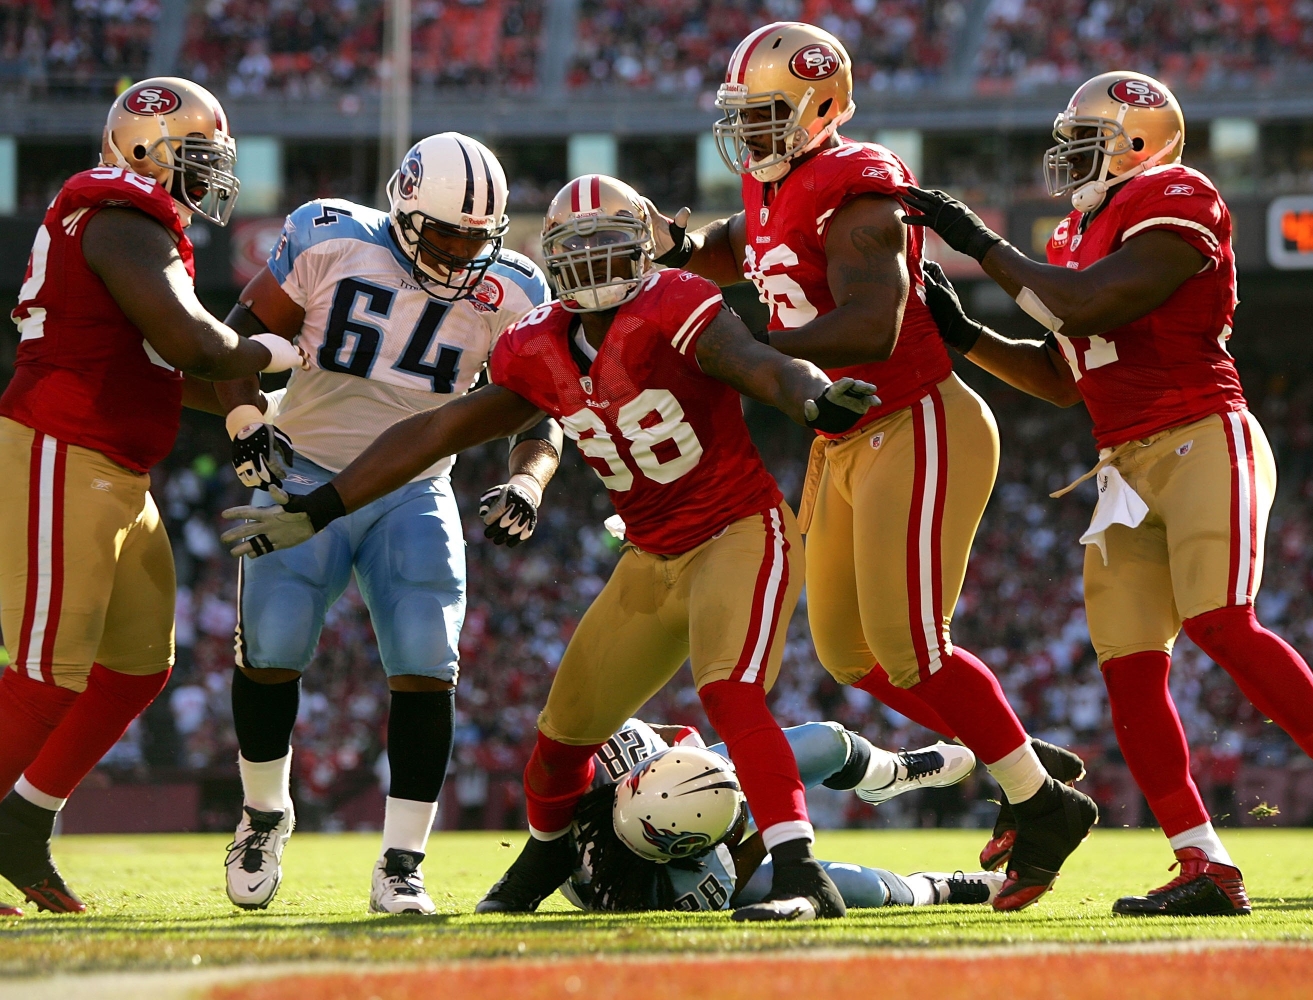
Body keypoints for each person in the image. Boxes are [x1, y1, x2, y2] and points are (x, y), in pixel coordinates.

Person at [221, 174, 882, 921]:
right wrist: (320, 508)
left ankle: (799, 873)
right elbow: (436, 431)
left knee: (729, 692)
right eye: (580, 250)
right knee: (563, 736)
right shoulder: (535, 342)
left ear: (644, 249)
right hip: (650, 553)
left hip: (736, 530)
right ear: (553, 259)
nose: (597, 267)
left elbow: (757, 362)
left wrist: (809, 393)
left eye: (611, 248)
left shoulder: (677, 300)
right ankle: (541, 859)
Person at [899, 70, 1313, 915]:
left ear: (1139, 141)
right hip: (1121, 468)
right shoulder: (1071, 233)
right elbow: (1063, 376)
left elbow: (1101, 299)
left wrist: (984, 245)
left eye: (1087, 138)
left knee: (1220, 620)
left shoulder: (1178, 194)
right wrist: (966, 336)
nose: (1068, 156)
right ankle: (1201, 862)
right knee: (1130, 674)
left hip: (1201, 434)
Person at [647, 20, 1097, 911]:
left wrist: (745, 348)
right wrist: (681, 251)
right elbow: (750, 240)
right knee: (852, 655)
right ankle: (1015, 755)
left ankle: (1044, 803)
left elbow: (874, 325)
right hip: (846, 437)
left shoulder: (862, 190)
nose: (752, 133)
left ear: (821, 108)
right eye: (743, 114)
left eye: (769, 114)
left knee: (915, 648)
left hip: (917, 418)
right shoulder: (777, 181)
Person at [213, 133, 559, 915]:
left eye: (479, 237)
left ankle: (401, 863)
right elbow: (231, 341)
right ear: (404, 209)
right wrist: (243, 418)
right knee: (269, 651)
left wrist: (528, 480)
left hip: (415, 489)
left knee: (426, 665)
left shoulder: (511, 286)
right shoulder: (328, 235)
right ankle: (264, 811)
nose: (462, 252)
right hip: (301, 469)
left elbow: (538, 409)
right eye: (445, 233)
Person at [0, 77, 308, 914]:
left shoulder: (139, 224)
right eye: (199, 159)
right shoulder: (118, 215)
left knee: (137, 663)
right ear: (148, 150)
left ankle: (22, 822)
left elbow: (176, 368)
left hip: (117, 465)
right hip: (61, 447)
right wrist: (288, 353)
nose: (211, 178)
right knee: (45, 671)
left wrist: (260, 396)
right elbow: (191, 341)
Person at [563, 718, 1084, 913]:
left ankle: (894, 770)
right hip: (707, 864)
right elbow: (751, 851)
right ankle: (949, 887)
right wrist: (774, 813)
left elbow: (673, 737)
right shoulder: (683, 888)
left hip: (687, 807)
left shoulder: (616, 756)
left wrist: (700, 758)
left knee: (827, 743)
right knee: (858, 890)